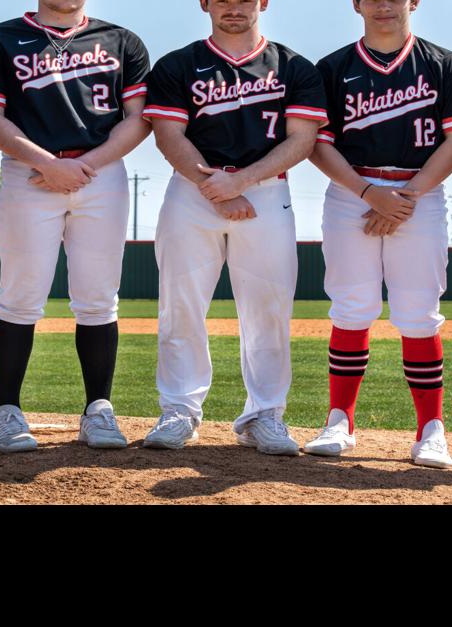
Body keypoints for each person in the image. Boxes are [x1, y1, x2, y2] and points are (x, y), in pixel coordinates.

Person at [139, 0, 328, 454]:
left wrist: (241, 182)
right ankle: (179, 410)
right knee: (180, 306)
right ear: (204, 4)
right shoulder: (179, 64)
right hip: (193, 189)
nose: (233, 7)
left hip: (264, 190)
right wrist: (215, 187)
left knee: (268, 309)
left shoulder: (293, 66)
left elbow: (303, 138)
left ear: (263, 3)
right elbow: (168, 134)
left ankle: (265, 414)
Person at [0, 1, 153, 453]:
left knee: (98, 297)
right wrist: (47, 164)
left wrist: (85, 165)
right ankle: (8, 412)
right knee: (20, 294)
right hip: (28, 172)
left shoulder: (122, 40)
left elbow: (139, 118)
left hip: (102, 172)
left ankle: (99, 409)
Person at [302, 0, 452, 469]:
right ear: (356, 4)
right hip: (350, 191)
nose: (384, 4)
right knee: (351, 306)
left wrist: (407, 197)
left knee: (419, 313)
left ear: (413, 2)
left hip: (421, 192)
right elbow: (316, 142)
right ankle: (340, 419)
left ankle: (431, 430)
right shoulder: (334, 67)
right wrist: (367, 192)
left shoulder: (442, 63)